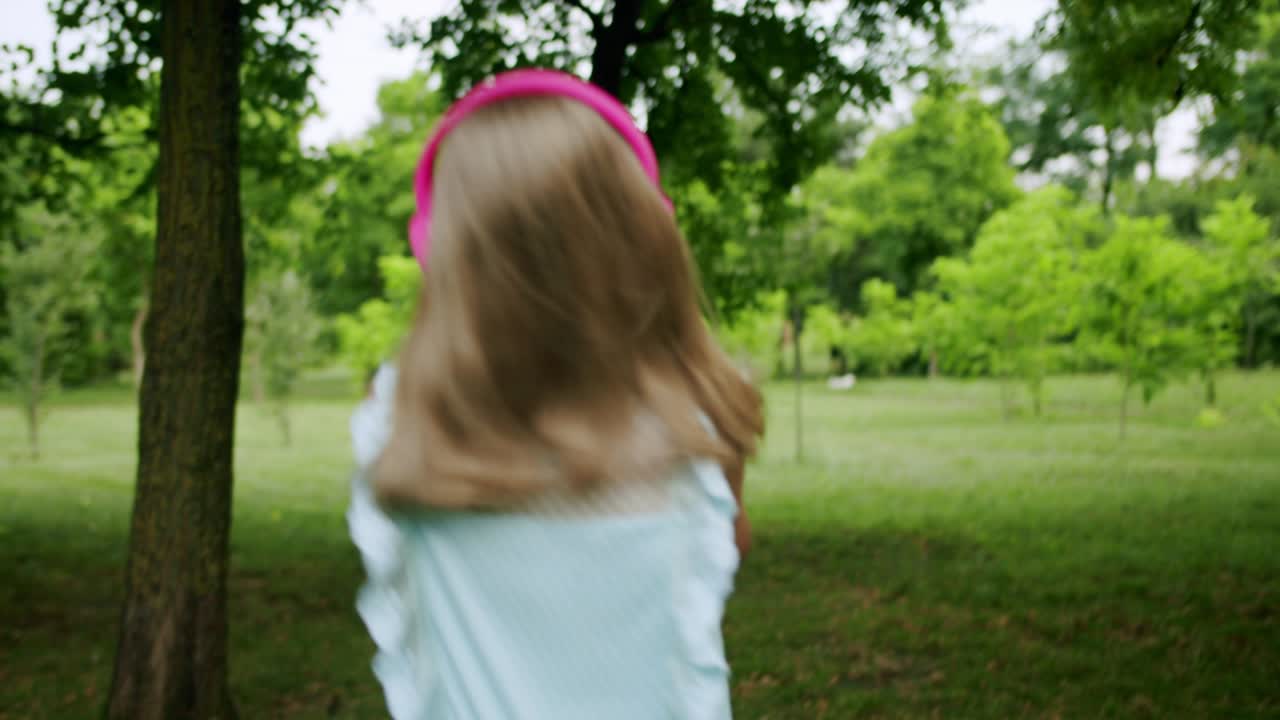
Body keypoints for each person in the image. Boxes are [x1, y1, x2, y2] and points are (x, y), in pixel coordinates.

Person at [347, 69, 764, 719]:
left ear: (451, 250)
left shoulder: (400, 418)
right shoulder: (700, 417)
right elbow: (722, 555)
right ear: (643, 234)